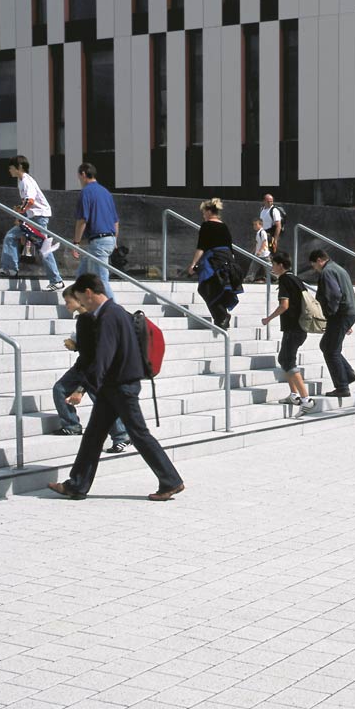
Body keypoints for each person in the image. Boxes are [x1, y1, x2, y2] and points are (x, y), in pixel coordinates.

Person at [48, 273, 184, 501]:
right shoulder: (116, 311)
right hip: (115, 387)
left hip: (121, 386)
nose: (81, 302)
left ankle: (171, 480)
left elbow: (104, 356)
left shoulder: (108, 315)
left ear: (89, 293)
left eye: (81, 297)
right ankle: (76, 485)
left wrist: (81, 389)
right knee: (93, 435)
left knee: (139, 433)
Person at [51, 287, 131, 453]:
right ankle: (71, 425)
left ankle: (122, 436)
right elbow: (89, 347)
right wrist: (75, 345)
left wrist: (81, 388)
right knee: (59, 389)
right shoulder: (83, 318)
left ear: (79, 300)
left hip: (94, 369)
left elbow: (96, 353)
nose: (66, 305)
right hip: (82, 365)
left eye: (68, 301)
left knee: (103, 402)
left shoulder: (89, 319)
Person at [0, 155, 65, 291]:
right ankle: (11, 269)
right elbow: (27, 203)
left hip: (39, 218)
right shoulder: (21, 181)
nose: (9, 171)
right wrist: (21, 212)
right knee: (10, 236)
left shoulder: (26, 181)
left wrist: (19, 212)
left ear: (19, 168)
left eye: (11, 168)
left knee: (44, 248)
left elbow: (29, 200)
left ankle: (57, 280)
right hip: (32, 218)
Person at [262, 251, 315, 415]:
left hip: (294, 328)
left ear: (280, 265)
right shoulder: (296, 279)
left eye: (273, 264)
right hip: (298, 327)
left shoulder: (285, 280)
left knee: (288, 360)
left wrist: (269, 318)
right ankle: (294, 395)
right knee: (284, 359)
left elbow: (284, 305)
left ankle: (307, 400)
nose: (272, 267)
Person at [187, 198, 243, 330]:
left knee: (205, 288)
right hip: (227, 260)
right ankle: (221, 318)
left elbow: (201, 247)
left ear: (208, 211)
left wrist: (193, 264)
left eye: (203, 212)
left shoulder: (206, 226)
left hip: (213, 260)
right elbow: (230, 247)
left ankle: (222, 316)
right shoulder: (223, 226)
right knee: (221, 288)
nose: (203, 214)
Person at [310, 249, 355, 399]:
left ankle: (342, 387)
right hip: (347, 313)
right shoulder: (339, 269)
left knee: (331, 349)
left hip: (340, 315)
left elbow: (335, 294)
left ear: (319, 260)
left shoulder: (328, 271)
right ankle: (348, 374)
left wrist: (331, 313)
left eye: (314, 265)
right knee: (327, 345)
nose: (314, 269)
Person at [70, 163, 118, 298]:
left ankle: (117, 314)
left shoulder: (86, 192)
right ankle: (79, 304)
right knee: (82, 275)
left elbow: (82, 220)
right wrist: (115, 240)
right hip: (108, 239)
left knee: (102, 281)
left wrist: (76, 242)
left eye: (79, 176)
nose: (79, 180)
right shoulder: (106, 192)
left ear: (83, 174)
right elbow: (116, 220)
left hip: (99, 241)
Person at [247, 217, 270, 282]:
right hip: (257, 255)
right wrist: (254, 251)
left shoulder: (262, 232)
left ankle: (276, 278)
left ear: (260, 225)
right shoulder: (258, 233)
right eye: (253, 224)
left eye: (256, 224)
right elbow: (257, 244)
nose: (254, 226)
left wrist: (260, 251)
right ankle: (249, 278)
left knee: (269, 269)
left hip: (264, 255)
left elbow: (264, 242)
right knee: (253, 268)